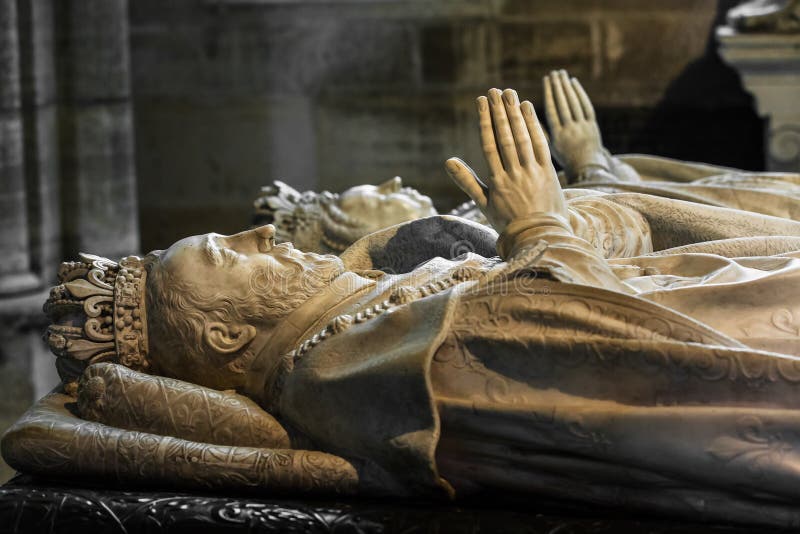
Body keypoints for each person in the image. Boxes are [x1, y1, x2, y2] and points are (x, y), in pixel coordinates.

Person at [5, 89, 800, 528]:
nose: (252, 235)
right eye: (222, 255)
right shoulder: (342, 365)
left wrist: (565, 214)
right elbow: (597, 346)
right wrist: (538, 221)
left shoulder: (350, 320)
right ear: (222, 332)